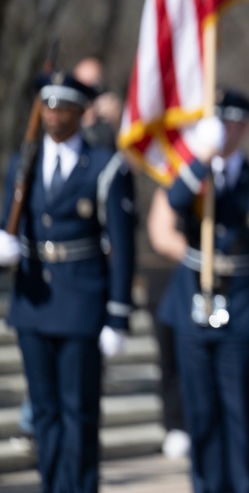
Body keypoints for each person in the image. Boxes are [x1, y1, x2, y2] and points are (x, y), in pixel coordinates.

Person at [0, 70, 137, 493]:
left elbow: (122, 246)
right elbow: (9, 218)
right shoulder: (23, 162)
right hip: (34, 301)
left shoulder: (105, 167)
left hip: (81, 301)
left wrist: (117, 316)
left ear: (81, 112)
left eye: (64, 107)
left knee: (79, 409)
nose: (54, 115)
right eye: (49, 106)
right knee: (45, 411)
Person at [157, 88, 249, 493]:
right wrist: (202, 160)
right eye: (218, 122)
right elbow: (175, 200)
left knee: (239, 414)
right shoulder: (192, 170)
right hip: (192, 304)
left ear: (244, 127)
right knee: (199, 414)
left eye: (231, 123)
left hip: (243, 304)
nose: (225, 130)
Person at [145, 186, 190, 459]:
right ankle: (176, 424)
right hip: (167, 286)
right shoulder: (171, 182)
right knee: (171, 361)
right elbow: (162, 236)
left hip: (208, 289)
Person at [72, 56, 124, 149]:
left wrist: (118, 122)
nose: (88, 93)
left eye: (94, 85)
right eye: (82, 86)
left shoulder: (112, 114)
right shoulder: (69, 113)